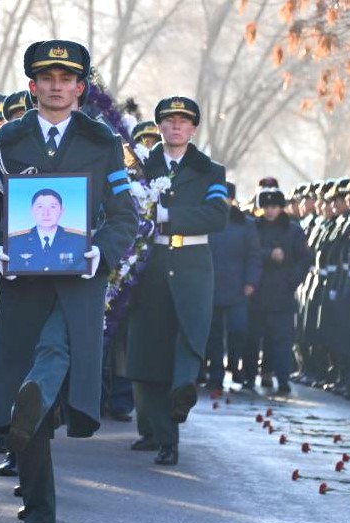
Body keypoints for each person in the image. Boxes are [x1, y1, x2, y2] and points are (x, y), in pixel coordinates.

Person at [0, 40, 139, 523]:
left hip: (78, 286)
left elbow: (125, 215)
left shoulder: (101, 142)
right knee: (31, 415)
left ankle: (37, 393)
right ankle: (39, 521)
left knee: (50, 365)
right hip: (21, 289)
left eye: (67, 77)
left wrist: (100, 253)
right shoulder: (9, 140)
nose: (57, 85)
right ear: (32, 86)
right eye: (47, 77)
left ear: (81, 86)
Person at [125, 96, 229, 466]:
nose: (176, 127)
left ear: (193, 129)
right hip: (151, 263)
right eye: (168, 122)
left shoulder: (209, 170)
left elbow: (217, 215)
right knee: (150, 348)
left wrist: (168, 216)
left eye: (183, 122)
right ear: (160, 128)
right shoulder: (141, 167)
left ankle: (181, 392)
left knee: (189, 336)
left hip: (192, 263)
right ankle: (162, 436)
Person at [244, 183, 311, 395]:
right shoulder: (254, 228)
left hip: (282, 292)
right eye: (267, 206)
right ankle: (250, 376)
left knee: (282, 339)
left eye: (274, 206)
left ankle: (282, 378)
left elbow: (304, 258)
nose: (271, 210)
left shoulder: (293, 230)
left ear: (281, 207)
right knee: (253, 338)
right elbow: (248, 253)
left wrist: (293, 281)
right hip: (258, 291)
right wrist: (268, 254)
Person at [205, 181, 261, 394]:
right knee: (214, 334)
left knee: (239, 329)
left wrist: (250, 282)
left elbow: (254, 256)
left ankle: (235, 363)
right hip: (212, 285)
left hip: (238, 287)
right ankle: (216, 375)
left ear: (231, 199)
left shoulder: (245, 224)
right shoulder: (208, 222)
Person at [6, 188, 88, 273]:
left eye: (53, 207)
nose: (46, 213)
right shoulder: (14, 242)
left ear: (61, 211)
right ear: (32, 210)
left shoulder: (79, 240)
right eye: (40, 207)